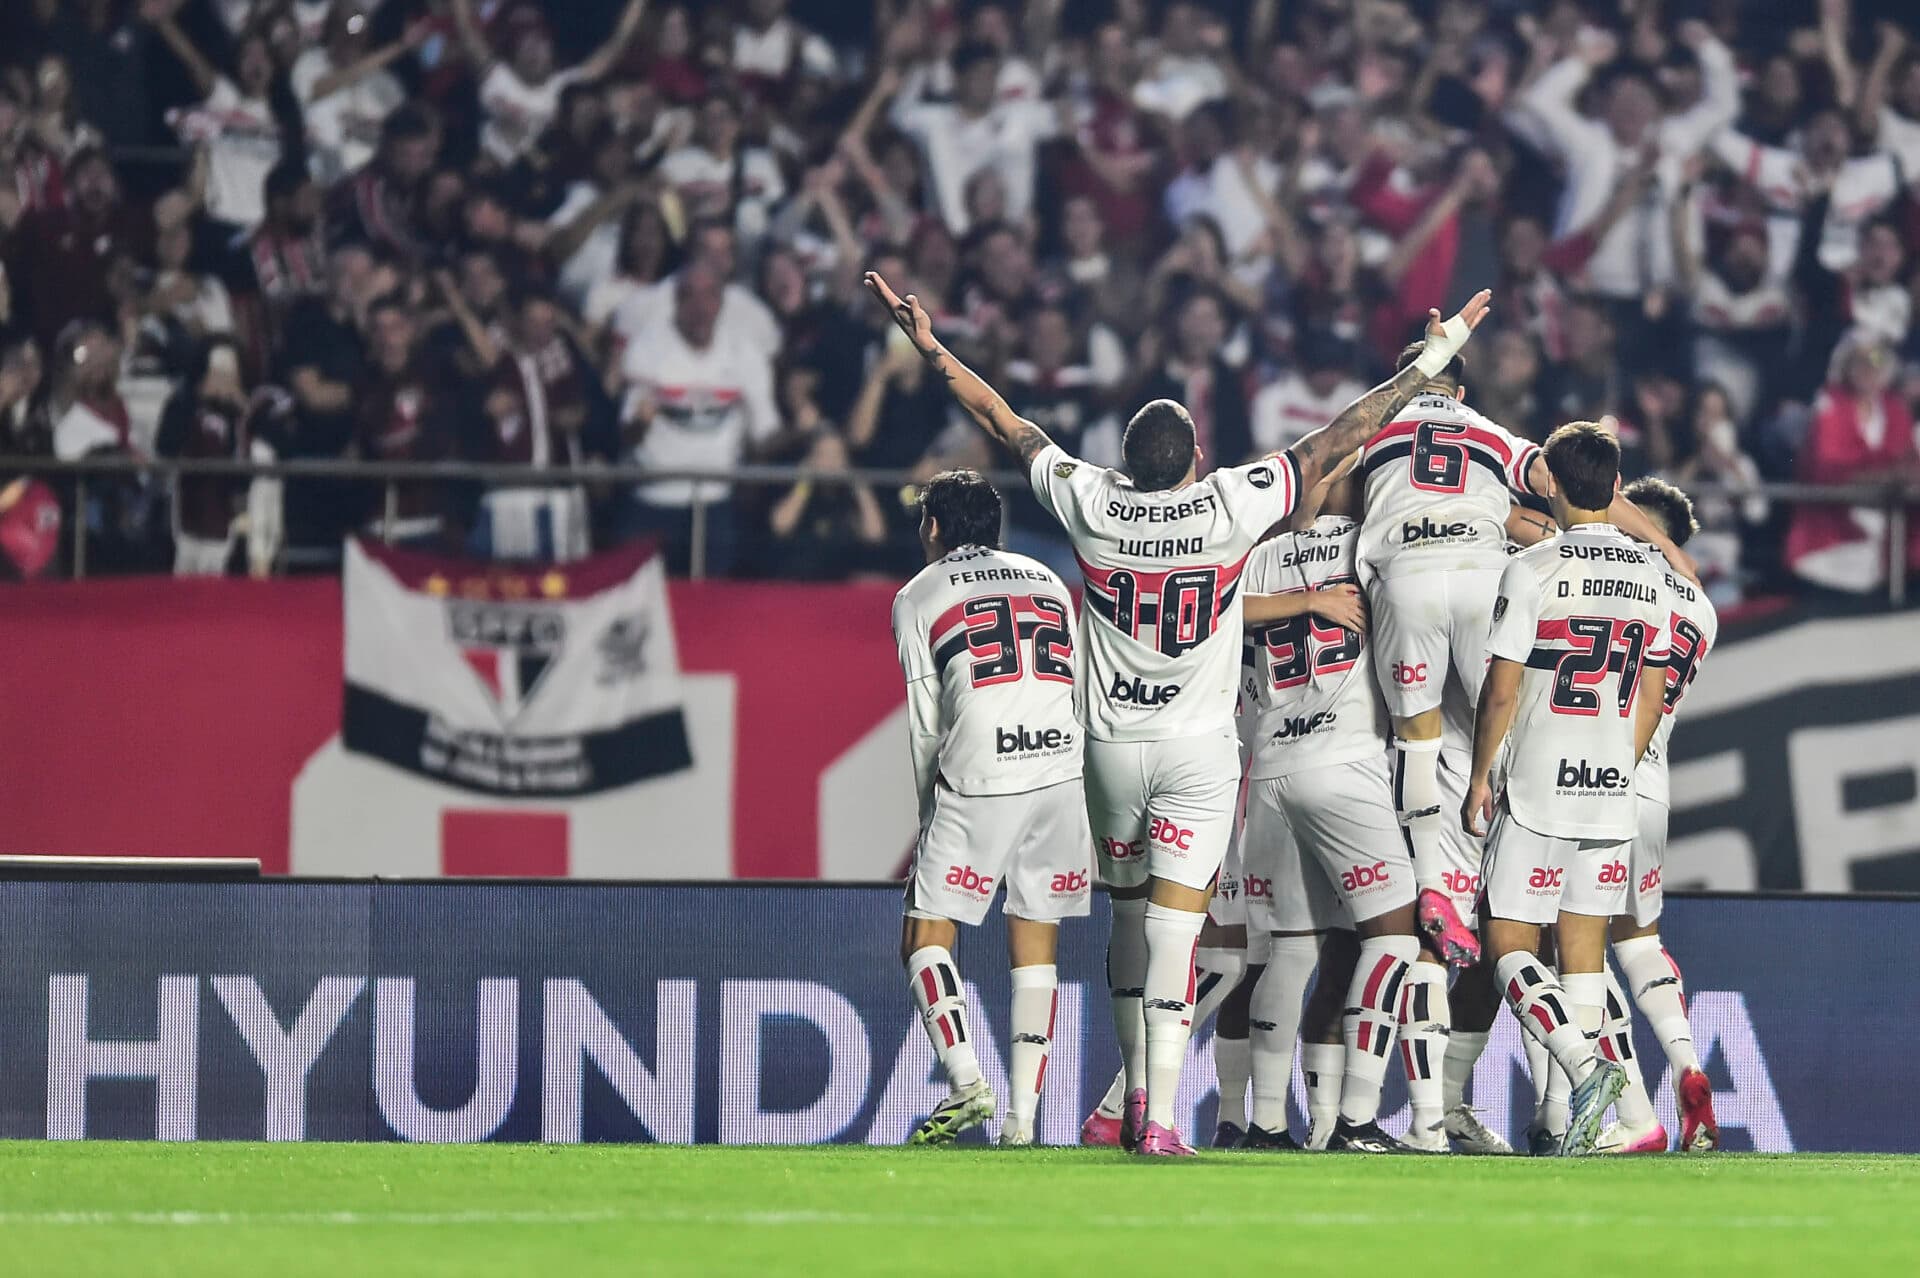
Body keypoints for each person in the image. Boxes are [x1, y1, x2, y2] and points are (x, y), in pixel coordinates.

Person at [865, 267, 1493, 1156]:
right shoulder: (1231, 504)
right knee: (1177, 930)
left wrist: (932, 349)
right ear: (1196, 458)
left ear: (1126, 465)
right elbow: (1342, 434)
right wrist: (1433, 359)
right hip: (1199, 753)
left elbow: (1005, 421)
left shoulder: (1092, 503)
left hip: (1111, 750)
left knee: (1128, 920)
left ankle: (1124, 1104)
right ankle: (1157, 1115)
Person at [1356, 341, 1693, 979]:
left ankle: (1433, 884)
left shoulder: (1372, 426)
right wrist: (1664, 547)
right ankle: (1504, 861)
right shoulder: (1489, 434)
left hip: (1406, 578)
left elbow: (1317, 484)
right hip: (1482, 578)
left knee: (1418, 741)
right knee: (1497, 725)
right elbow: (1574, 489)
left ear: (1400, 386)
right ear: (1460, 393)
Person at [1461, 420, 1673, 1158]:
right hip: (1612, 786)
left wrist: (1480, 774)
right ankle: (1583, 1128)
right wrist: (1617, 761)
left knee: (1506, 942)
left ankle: (1585, 1070)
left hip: (1539, 783)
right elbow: (1653, 694)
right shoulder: (1652, 576)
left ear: (1549, 481)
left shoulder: (1533, 568)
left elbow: (1501, 690)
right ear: (1614, 486)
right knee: (1584, 954)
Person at [890, 469, 1090, 1147]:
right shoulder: (1048, 580)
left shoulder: (919, 593)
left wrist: (929, 811)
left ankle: (967, 1081)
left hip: (982, 770)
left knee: (925, 936)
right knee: (1036, 941)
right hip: (1062, 768)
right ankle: (1023, 1123)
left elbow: (926, 720)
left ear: (934, 528)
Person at [1236, 457, 1428, 1154]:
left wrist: (1301, 600)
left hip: (1271, 769)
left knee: (1289, 952)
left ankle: (1265, 1125)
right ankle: (1356, 1117)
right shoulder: (1370, 542)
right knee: (1395, 937)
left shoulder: (1258, 558)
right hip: (1345, 763)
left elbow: (1219, 615)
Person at [1595, 476, 1721, 1155]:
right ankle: (1687, 1062)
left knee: (1577, 953)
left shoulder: (1610, 577)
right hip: (1652, 788)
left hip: (1588, 779)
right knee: (1640, 941)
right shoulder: (1702, 608)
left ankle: (1634, 1113)